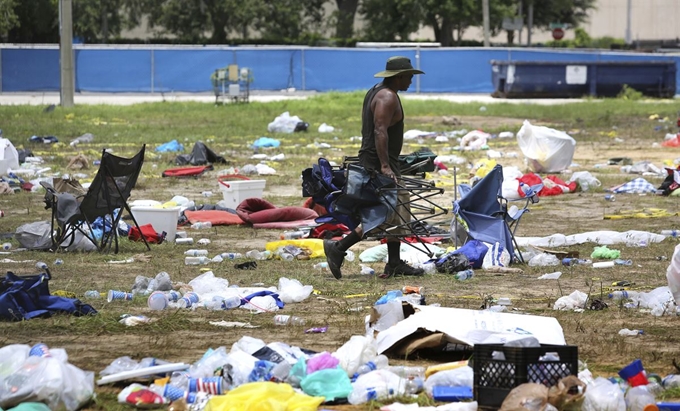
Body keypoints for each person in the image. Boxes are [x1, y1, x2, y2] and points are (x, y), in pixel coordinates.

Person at [323, 56, 425, 279]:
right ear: (398, 77)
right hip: (379, 163)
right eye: (408, 76)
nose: (410, 81)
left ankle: (395, 263)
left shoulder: (378, 91)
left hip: (379, 161)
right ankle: (338, 248)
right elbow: (380, 130)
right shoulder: (387, 97)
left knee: (396, 210)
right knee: (389, 212)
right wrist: (385, 166)